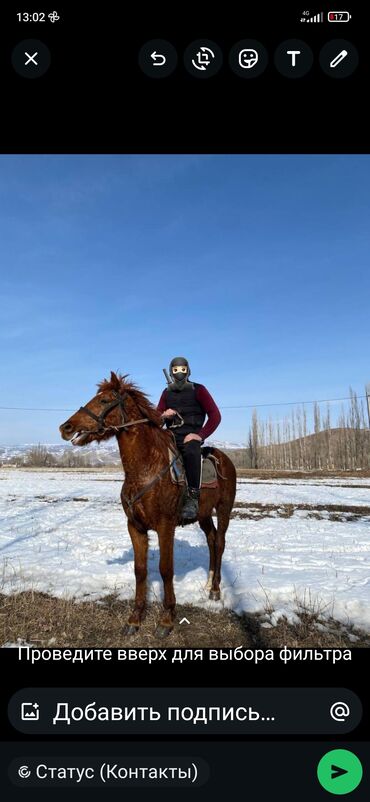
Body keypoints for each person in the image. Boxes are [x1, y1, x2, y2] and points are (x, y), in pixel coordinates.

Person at [157, 356, 221, 521]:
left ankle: (192, 497)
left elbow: (215, 416)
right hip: (170, 437)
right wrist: (164, 415)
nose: (179, 373)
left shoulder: (199, 390)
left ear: (188, 371)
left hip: (191, 437)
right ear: (171, 372)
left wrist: (200, 435)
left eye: (182, 369)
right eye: (176, 370)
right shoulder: (166, 393)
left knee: (192, 450)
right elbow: (156, 418)